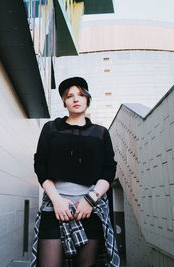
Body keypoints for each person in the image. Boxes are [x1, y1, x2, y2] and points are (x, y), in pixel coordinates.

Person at [31, 77, 119, 267]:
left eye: (80, 94)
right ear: (64, 102)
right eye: (69, 96)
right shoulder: (51, 128)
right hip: (55, 208)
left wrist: (90, 200)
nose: (76, 99)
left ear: (87, 99)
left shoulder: (100, 132)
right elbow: (40, 166)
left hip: (90, 210)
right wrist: (57, 200)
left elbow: (108, 170)